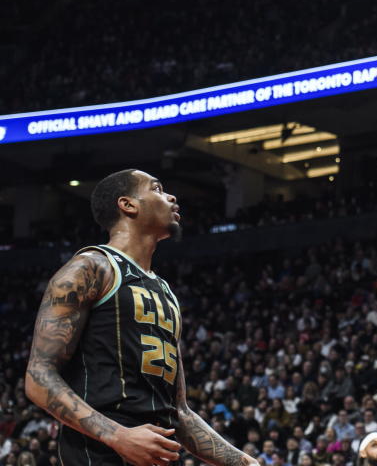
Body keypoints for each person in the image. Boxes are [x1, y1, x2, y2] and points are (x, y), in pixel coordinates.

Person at [24, 169, 256, 466]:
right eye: (157, 189)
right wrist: (118, 436)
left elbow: (179, 412)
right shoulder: (91, 268)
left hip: (155, 452)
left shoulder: (165, 291)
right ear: (128, 205)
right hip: (100, 452)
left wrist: (247, 463)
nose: (171, 197)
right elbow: (38, 377)